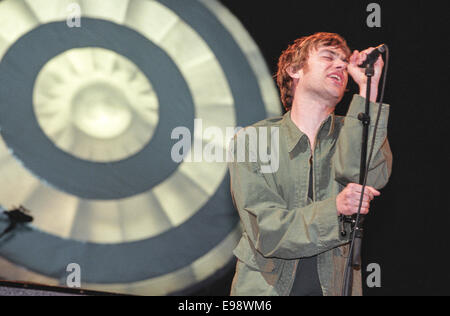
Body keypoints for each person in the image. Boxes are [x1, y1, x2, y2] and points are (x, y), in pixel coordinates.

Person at [228, 32, 392, 296]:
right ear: (294, 70)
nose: (341, 65)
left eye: (343, 61)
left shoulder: (351, 131)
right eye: (328, 56)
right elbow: (267, 232)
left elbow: (366, 176)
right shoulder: (253, 140)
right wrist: (335, 209)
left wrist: (368, 90)